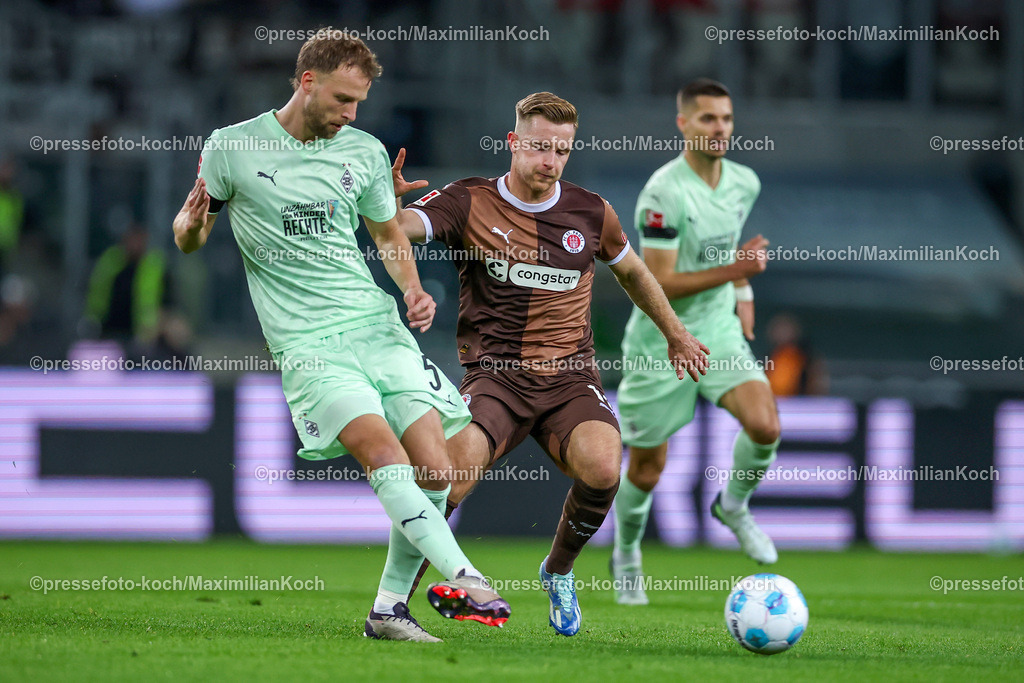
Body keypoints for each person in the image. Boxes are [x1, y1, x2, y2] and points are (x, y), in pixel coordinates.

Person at [171, 33, 508, 643]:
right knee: (382, 454)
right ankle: (466, 574)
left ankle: (386, 612)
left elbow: (387, 233)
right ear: (307, 81)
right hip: (308, 343)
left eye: (359, 103)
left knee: (439, 472)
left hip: (377, 326)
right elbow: (190, 235)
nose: (351, 114)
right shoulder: (233, 146)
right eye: (344, 100)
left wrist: (410, 288)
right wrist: (190, 225)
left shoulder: (365, 151)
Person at [392, 92, 710, 636]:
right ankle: (394, 603)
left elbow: (632, 272)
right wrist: (385, 205)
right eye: (540, 147)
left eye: (562, 151)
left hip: (570, 380)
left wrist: (677, 335)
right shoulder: (469, 200)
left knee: (605, 469)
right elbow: (400, 228)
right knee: (444, 482)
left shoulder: (591, 212)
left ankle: (557, 570)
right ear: (514, 143)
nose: (551, 161)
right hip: (496, 378)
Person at [611, 78, 782, 606]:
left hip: (718, 330)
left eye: (726, 118)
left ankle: (733, 505)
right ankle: (627, 551)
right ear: (683, 124)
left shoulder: (744, 183)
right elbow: (657, 283)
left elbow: (726, 248)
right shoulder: (663, 193)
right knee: (647, 467)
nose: (720, 128)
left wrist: (743, 287)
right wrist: (739, 269)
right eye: (708, 118)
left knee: (764, 424)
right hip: (661, 337)